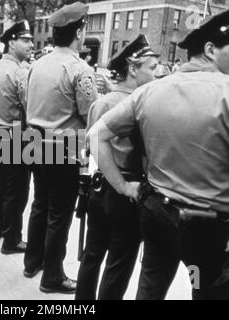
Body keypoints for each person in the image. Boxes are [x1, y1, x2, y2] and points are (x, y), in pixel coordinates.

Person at [89, 6, 229, 300]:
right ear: (210, 49)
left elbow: (97, 135)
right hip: (208, 227)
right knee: (206, 289)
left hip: (157, 213)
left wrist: (123, 187)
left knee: (151, 289)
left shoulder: (149, 91)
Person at [76, 34, 159, 300]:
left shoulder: (101, 103)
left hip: (98, 188)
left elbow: (86, 152)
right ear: (133, 69)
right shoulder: (144, 104)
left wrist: (84, 185)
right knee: (119, 265)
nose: (156, 75)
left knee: (91, 257)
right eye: (152, 68)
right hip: (129, 191)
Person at [24, 2, 98, 294]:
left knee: (40, 205)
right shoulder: (80, 69)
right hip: (63, 147)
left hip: (33, 141)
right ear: (79, 31)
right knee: (59, 214)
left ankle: (33, 262)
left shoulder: (37, 64)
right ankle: (52, 276)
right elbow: (90, 114)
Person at [0, 20, 33, 254]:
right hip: (14, 134)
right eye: (25, 40)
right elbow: (29, 108)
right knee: (17, 191)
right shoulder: (19, 72)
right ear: (11, 42)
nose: (31, 44)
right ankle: (12, 239)